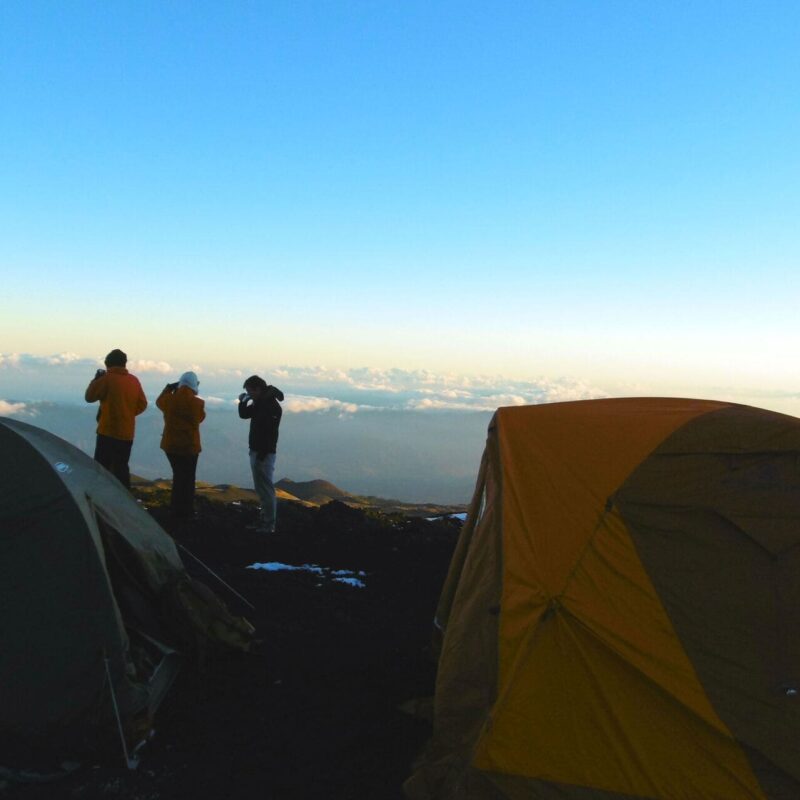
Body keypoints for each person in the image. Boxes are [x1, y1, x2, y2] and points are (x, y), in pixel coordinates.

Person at [84, 348, 148, 488]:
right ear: (124, 364)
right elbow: (143, 404)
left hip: (107, 431)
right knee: (122, 467)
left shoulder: (106, 379)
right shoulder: (134, 380)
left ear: (108, 364)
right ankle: (124, 500)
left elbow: (89, 397)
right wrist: (127, 413)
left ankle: (101, 497)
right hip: (127, 433)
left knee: (102, 468)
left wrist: (95, 380)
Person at [156, 371, 206, 521]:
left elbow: (159, 402)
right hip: (189, 447)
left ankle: (176, 509)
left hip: (170, 446)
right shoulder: (197, 403)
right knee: (188, 479)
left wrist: (168, 389)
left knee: (178, 476)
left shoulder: (169, 400)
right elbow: (201, 418)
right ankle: (186, 510)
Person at [238, 375, 284, 533]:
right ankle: (264, 520)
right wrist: (243, 402)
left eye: (250, 391)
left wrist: (262, 454)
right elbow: (244, 415)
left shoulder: (271, 406)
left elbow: (269, 433)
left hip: (263, 453)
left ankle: (268, 524)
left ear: (258, 389)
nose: (249, 394)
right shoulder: (262, 403)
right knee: (262, 489)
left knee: (265, 489)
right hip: (258, 451)